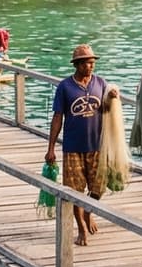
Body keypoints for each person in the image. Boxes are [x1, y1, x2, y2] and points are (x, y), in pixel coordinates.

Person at [44, 44, 117, 246]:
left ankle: (88, 212)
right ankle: (82, 228)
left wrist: (112, 99)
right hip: (73, 146)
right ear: (77, 65)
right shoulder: (65, 87)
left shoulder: (100, 83)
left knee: (98, 187)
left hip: (96, 146)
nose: (90, 67)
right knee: (75, 190)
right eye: (86, 63)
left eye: (92, 63)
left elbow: (107, 112)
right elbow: (58, 117)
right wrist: (51, 147)